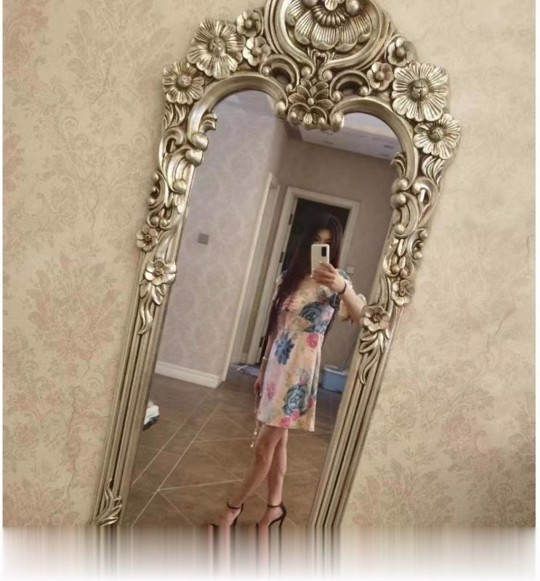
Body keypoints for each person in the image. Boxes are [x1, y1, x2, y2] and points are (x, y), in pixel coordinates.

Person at [211, 212, 367, 529]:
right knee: (279, 442)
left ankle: (232, 509)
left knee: (264, 448)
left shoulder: (336, 285)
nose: (320, 248)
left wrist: (342, 288)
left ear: (335, 249)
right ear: (306, 242)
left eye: (327, 244)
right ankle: (274, 509)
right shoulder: (287, 278)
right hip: (275, 369)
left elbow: (363, 318)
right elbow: (277, 329)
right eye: (315, 241)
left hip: (298, 375)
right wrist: (262, 370)